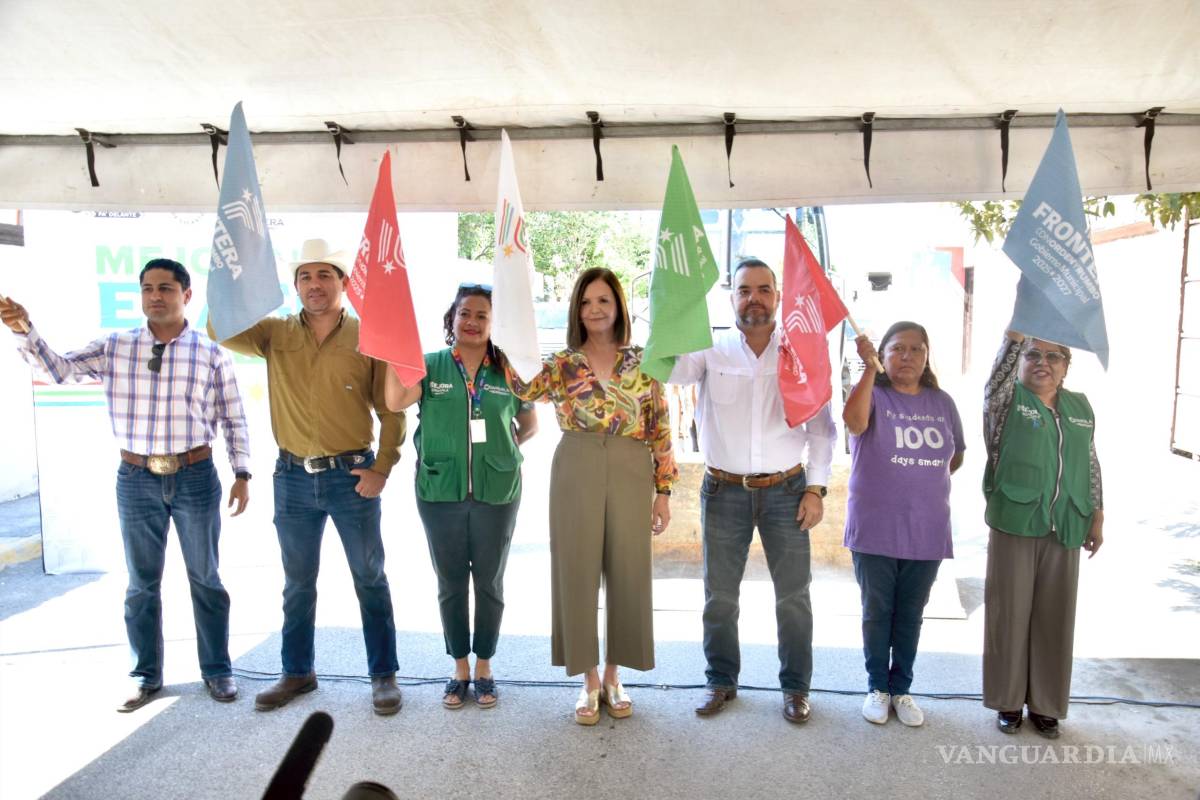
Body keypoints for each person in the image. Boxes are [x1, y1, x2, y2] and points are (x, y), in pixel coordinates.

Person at [1, 259, 251, 712]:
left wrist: (243, 473)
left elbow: (234, 417)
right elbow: (59, 370)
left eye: (166, 288)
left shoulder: (210, 353)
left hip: (196, 476)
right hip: (136, 479)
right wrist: (25, 330)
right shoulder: (116, 346)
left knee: (206, 579)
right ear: (140, 296)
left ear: (186, 295)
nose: (156, 296)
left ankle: (218, 671)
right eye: (148, 288)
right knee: (140, 584)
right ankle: (144, 676)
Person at [209, 238, 406, 716]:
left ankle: (383, 675)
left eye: (324, 275)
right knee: (297, 582)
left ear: (342, 283)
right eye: (305, 277)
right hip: (292, 477)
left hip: (351, 476)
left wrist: (383, 466)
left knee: (369, 577)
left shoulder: (368, 335)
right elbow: (217, 326)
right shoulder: (274, 333)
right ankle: (298, 671)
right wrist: (234, 275)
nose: (314, 285)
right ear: (295, 286)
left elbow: (392, 408)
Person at [669, 257, 835, 724]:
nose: (754, 298)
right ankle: (720, 680)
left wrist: (816, 489)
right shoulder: (708, 348)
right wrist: (672, 312)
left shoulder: (800, 352)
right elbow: (671, 373)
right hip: (724, 491)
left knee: (794, 596)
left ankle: (796, 688)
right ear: (732, 297)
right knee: (720, 595)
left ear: (778, 297)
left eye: (764, 289)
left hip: (787, 491)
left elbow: (823, 429)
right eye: (744, 290)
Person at [508, 267, 675, 725]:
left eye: (603, 300)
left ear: (619, 306)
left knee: (628, 571)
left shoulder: (645, 361)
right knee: (576, 571)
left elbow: (661, 426)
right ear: (576, 311)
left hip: (630, 466)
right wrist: (508, 333)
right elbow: (522, 387)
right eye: (586, 302)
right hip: (576, 465)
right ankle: (588, 680)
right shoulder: (562, 364)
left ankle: (615, 673)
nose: (595, 309)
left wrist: (663, 492)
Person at [384, 283, 537, 709]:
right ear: (451, 319)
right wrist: (392, 355)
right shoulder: (430, 365)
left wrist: (499, 456)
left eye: (482, 315)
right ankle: (460, 669)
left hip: (498, 491)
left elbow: (529, 424)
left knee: (489, 582)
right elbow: (395, 399)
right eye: (464, 313)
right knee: (451, 583)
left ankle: (484, 665)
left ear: (494, 323)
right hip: (439, 492)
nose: (472, 322)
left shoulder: (509, 369)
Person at [843, 322, 965, 727]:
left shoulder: (942, 402)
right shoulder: (873, 394)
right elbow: (855, 424)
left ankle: (902, 689)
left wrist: (921, 482)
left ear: (927, 357)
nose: (907, 356)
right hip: (876, 528)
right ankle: (877, 687)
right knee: (878, 611)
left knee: (911, 613)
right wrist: (867, 370)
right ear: (884, 354)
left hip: (927, 529)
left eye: (916, 349)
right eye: (897, 349)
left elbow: (956, 455)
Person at [982, 331, 1103, 738]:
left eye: (1054, 356)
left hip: (1067, 523)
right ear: (1019, 360)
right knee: (1009, 615)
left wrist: (1097, 515)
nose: (1042, 362)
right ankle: (1009, 703)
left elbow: (1089, 463)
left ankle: (1047, 705)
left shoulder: (1080, 407)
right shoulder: (1006, 402)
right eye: (1033, 354)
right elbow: (997, 380)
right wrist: (1013, 337)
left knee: (1056, 618)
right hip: (1016, 520)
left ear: (1067, 366)